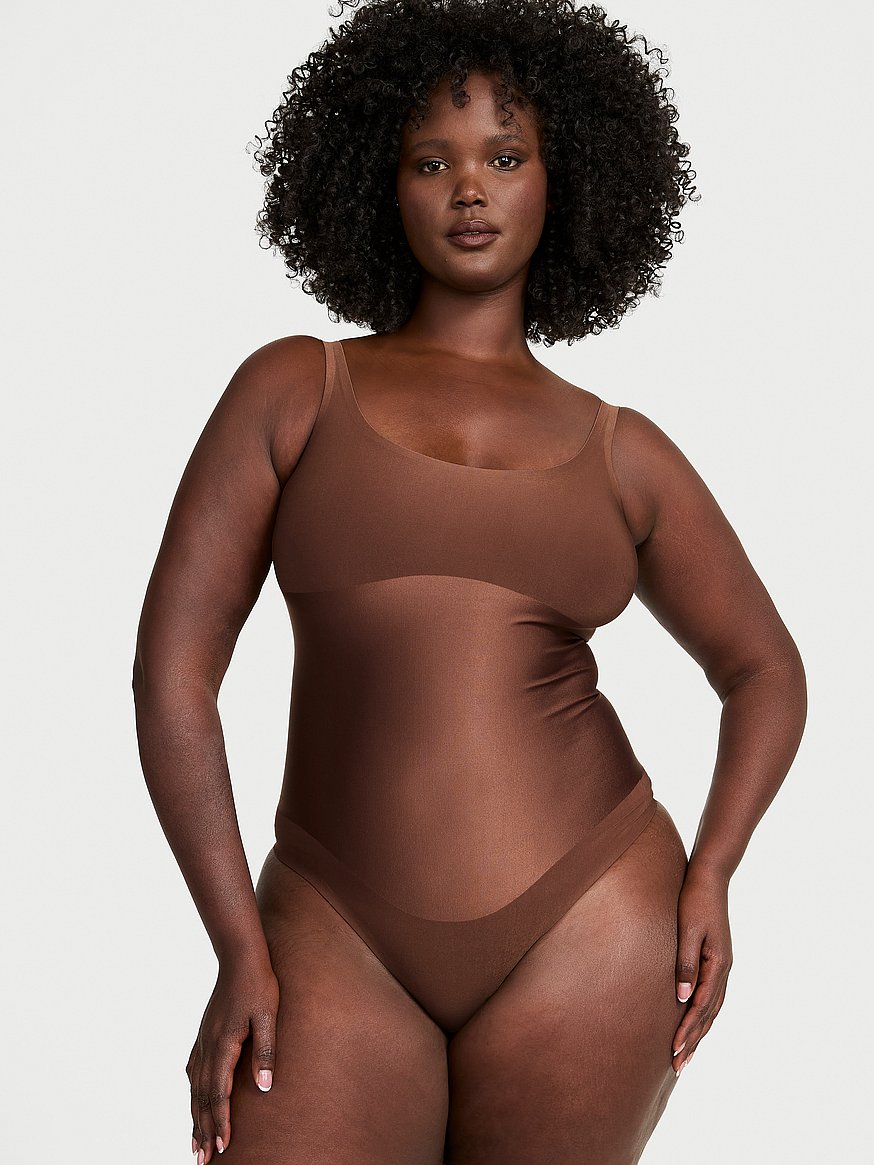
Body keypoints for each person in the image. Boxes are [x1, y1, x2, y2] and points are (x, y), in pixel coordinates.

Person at [131, 1, 808, 1161]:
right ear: (377, 186)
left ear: (563, 179)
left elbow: (765, 671)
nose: (468, 191)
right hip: (329, 922)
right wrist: (237, 940)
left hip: (590, 917)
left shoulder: (624, 452)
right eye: (429, 161)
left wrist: (713, 872)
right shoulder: (293, 391)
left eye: (504, 156)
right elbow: (173, 674)